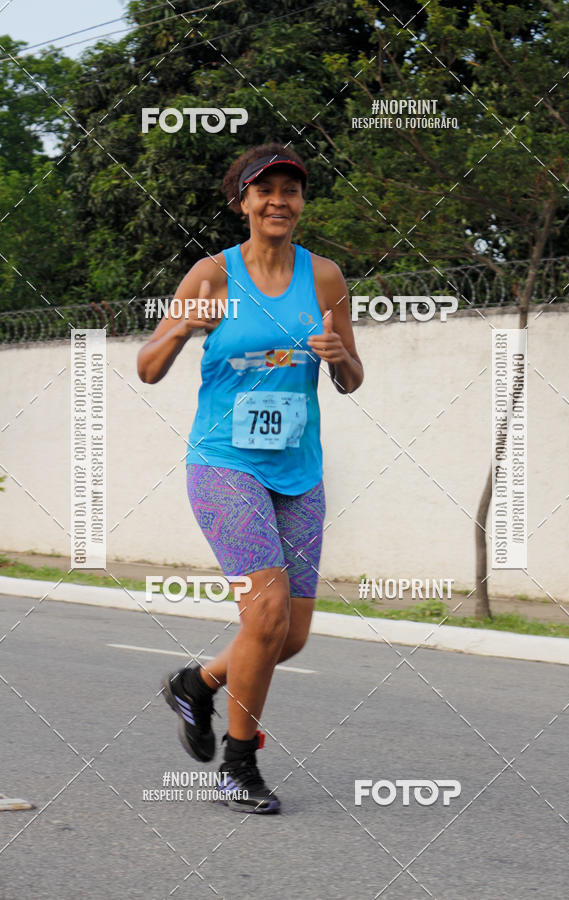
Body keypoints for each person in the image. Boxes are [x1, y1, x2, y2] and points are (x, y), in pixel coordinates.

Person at [137, 142, 364, 814]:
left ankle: (196, 682)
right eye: (265, 191)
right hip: (223, 464)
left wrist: (339, 356)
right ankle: (239, 767)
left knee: (287, 636)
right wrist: (182, 328)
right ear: (243, 202)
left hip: (298, 470)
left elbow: (352, 379)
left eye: (290, 190)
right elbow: (147, 367)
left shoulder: (325, 278)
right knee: (263, 614)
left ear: (301, 202)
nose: (278, 202)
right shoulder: (211, 275)